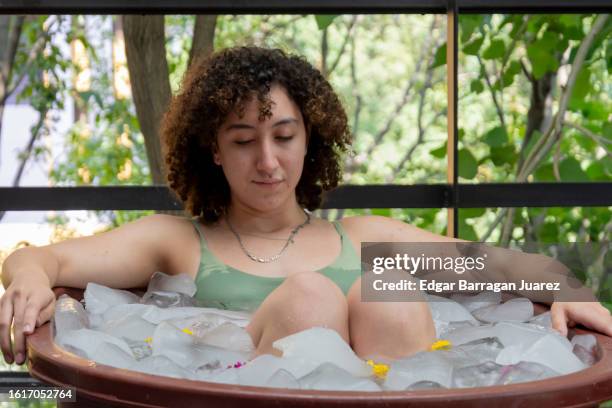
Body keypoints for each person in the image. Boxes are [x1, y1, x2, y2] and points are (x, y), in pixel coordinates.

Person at [1, 46, 611, 368]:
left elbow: (511, 267)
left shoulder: (366, 238)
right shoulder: (181, 243)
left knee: (390, 287)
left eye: (284, 137)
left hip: (392, 385)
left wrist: (568, 288)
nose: (267, 161)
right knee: (311, 295)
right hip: (232, 388)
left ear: (310, 139)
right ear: (212, 150)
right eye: (243, 141)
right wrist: (28, 279)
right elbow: (41, 260)